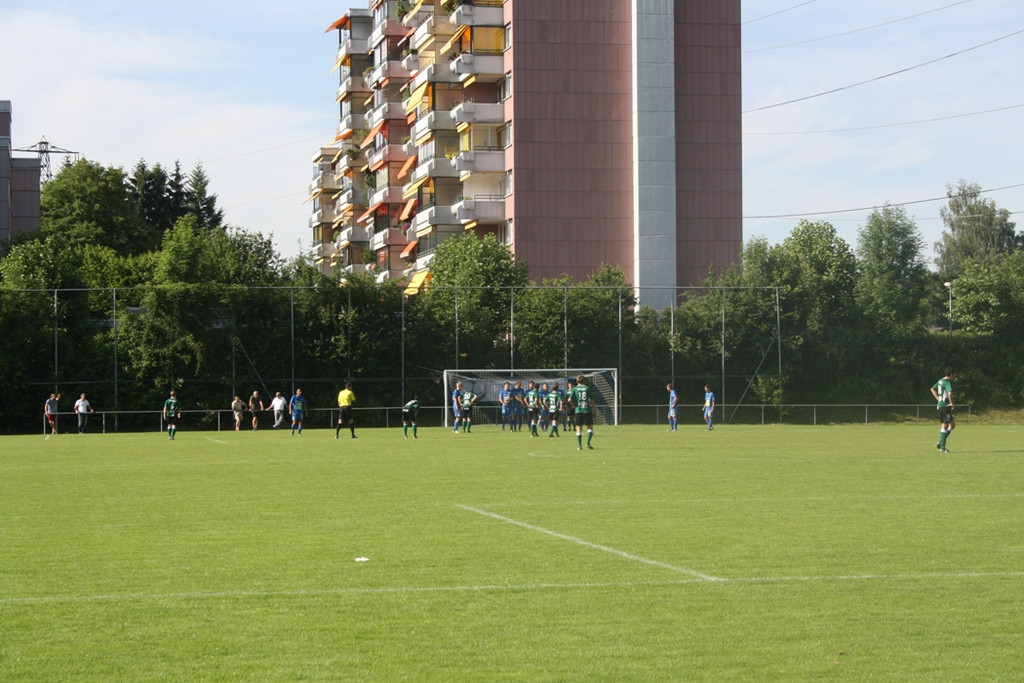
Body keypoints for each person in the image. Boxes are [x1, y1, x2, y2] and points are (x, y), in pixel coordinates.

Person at [930, 367, 956, 453]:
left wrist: (938, 399)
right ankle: (942, 448)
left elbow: (932, 389)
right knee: (945, 426)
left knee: (952, 425)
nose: (954, 376)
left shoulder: (940, 380)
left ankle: (940, 443)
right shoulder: (947, 382)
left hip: (942, 405)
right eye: (954, 374)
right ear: (951, 374)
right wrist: (952, 403)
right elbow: (950, 393)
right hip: (944, 407)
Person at [567, 374, 594, 450]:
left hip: (578, 410)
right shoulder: (587, 388)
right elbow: (592, 400)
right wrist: (594, 411)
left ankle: (579, 446)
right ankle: (588, 443)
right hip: (587, 409)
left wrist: (573, 405)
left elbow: (569, 400)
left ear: (577, 381)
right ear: (584, 380)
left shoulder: (574, 389)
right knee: (590, 427)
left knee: (579, 428)